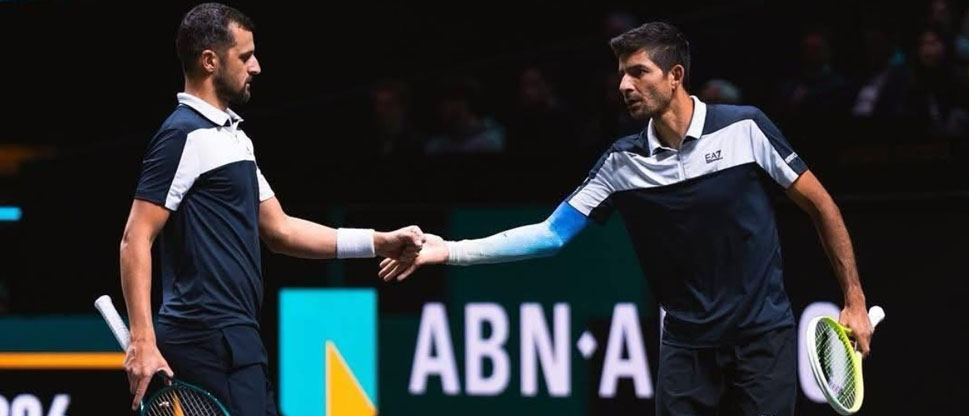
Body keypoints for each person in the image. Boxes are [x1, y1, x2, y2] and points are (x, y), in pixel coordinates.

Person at [379, 22, 874, 416]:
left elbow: (820, 204)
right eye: (621, 73)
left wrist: (853, 298)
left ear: (675, 76)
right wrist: (449, 250)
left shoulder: (745, 127)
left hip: (761, 339)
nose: (624, 85)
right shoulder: (621, 162)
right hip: (686, 347)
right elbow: (551, 235)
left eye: (639, 72)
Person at [118, 3, 423, 415]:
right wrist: (142, 340)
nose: (257, 67)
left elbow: (280, 230)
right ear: (210, 61)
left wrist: (379, 242)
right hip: (205, 336)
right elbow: (136, 236)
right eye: (245, 56)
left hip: (238, 338)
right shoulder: (181, 135)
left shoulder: (234, 139)